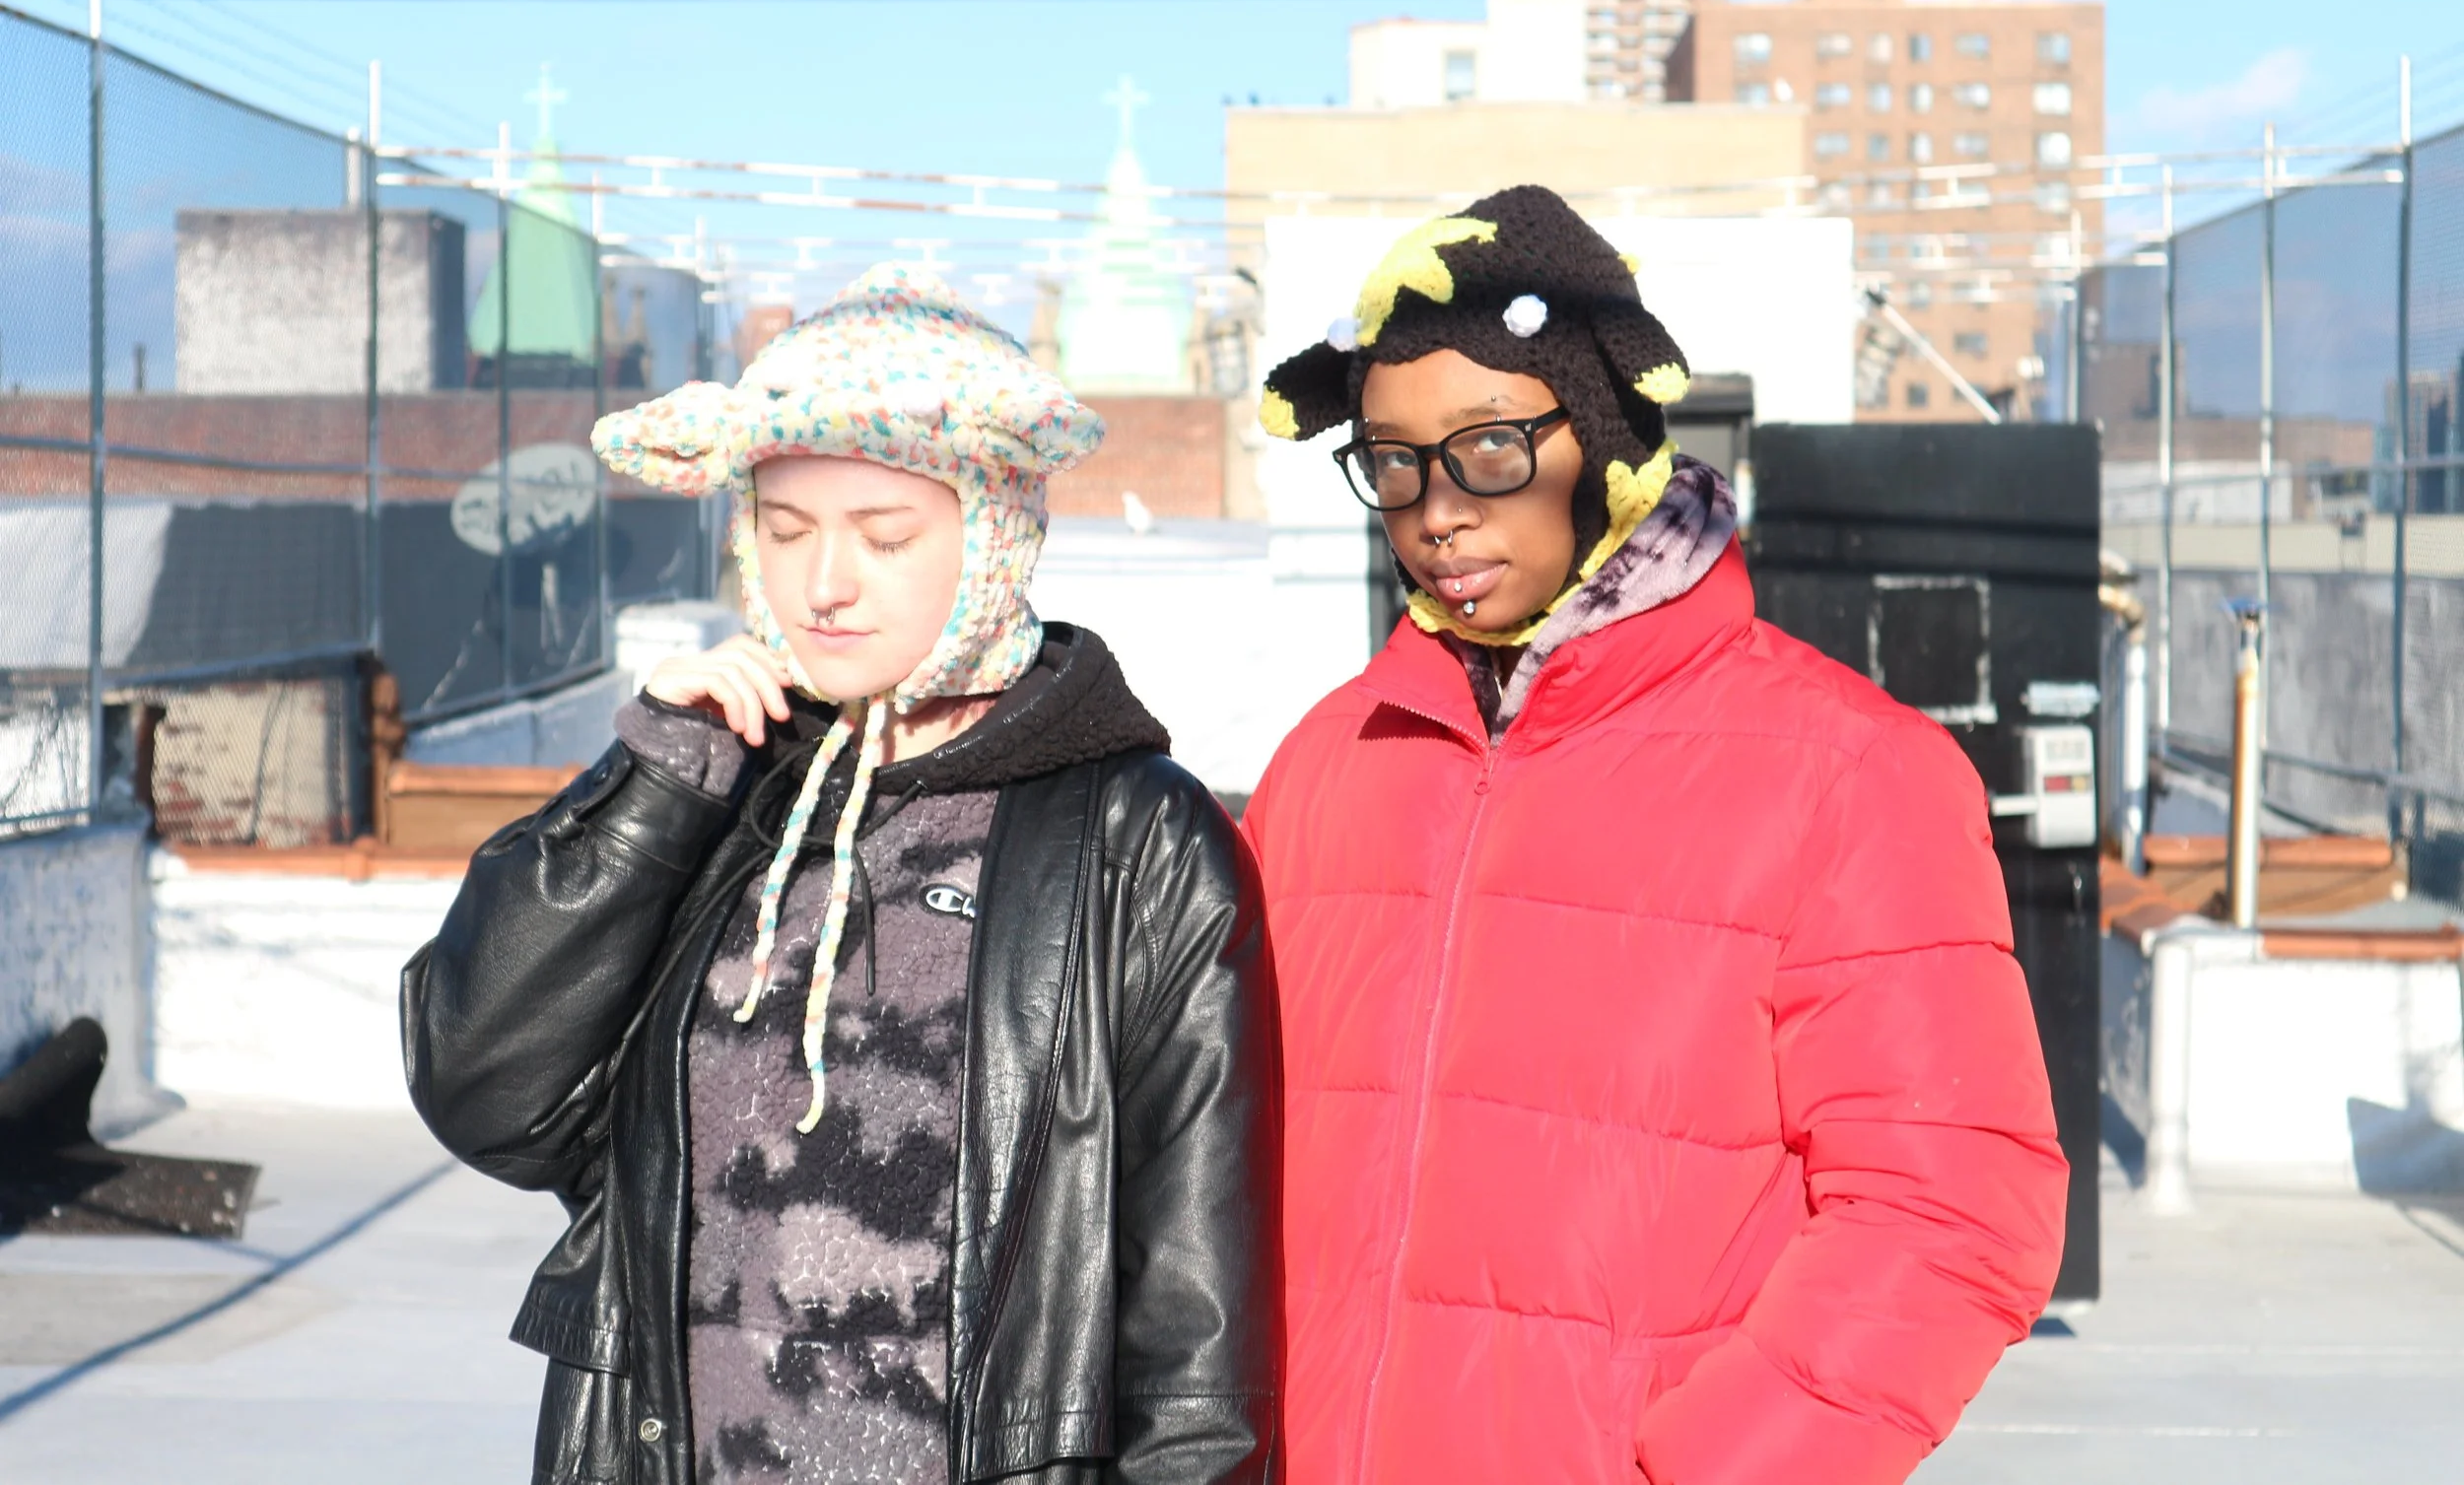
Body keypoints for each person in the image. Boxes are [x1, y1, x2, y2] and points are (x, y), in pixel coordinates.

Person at [1240, 186, 2067, 1484]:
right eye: (1392, 460)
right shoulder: (1326, 763)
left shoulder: (1854, 773)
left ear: (1608, 442)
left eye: (1490, 446)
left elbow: (1949, 1211)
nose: (1436, 508)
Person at [402, 265, 1280, 1485]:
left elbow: (1197, 1334)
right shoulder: (720, 793)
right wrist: (651, 788)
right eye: (783, 529)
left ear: (992, 532)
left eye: (884, 535)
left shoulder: (1134, 841)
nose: (823, 583)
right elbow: (485, 1089)